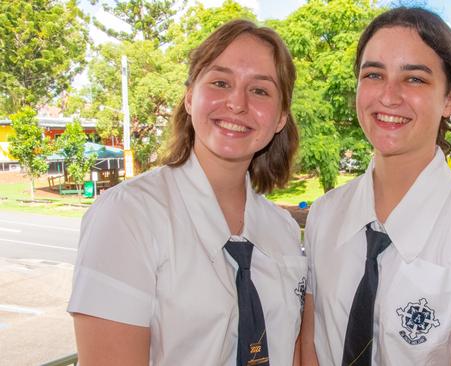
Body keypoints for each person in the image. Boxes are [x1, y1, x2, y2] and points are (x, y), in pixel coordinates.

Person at [68, 20, 306, 366]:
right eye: (220, 82)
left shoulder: (282, 231)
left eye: (260, 90)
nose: (237, 103)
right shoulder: (128, 216)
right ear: (190, 97)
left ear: (281, 116)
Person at [301, 7, 451, 366]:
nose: (389, 96)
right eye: (374, 74)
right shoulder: (325, 215)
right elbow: (310, 348)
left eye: (415, 79)